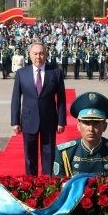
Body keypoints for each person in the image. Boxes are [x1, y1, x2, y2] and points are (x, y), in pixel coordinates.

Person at [11, 41, 66, 176]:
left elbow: (61, 99)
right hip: (29, 119)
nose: (38, 57)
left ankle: (47, 181)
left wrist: (61, 121)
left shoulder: (56, 72)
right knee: (30, 155)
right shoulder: (21, 73)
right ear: (29, 55)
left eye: (41, 54)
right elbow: (16, 99)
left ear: (46, 54)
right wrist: (15, 121)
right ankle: (31, 182)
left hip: (49, 119)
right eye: (35, 54)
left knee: (49, 153)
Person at [54, 92, 108, 178]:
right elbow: (58, 183)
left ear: (104, 126)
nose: (91, 129)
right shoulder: (64, 153)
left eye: (96, 123)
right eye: (86, 123)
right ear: (78, 126)